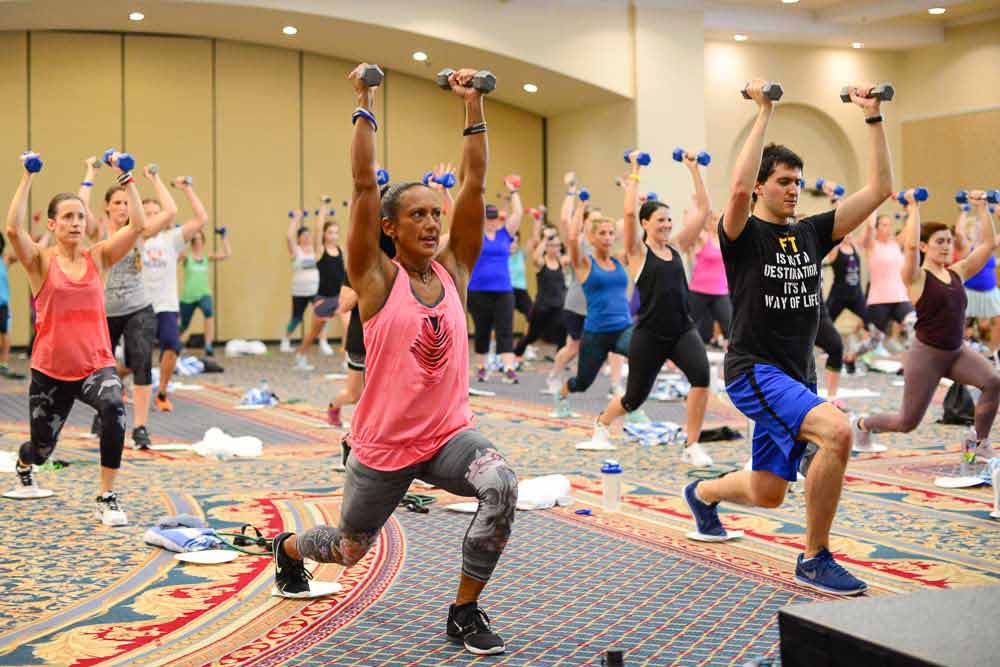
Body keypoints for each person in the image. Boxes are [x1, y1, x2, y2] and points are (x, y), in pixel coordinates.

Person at [270, 64, 517, 657]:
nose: (433, 223)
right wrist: (364, 100)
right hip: (382, 444)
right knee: (352, 548)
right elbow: (360, 186)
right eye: (418, 216)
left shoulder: (454, 271)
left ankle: (464, 610)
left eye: (437, 213)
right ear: (390, 227)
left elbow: (475, 185)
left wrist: (472, 106)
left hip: (445, 435)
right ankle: (290, 550)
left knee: (501, 484)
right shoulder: (377, 280)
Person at [683, 80, 893, 596]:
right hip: (755, 371)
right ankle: (815, 558)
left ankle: (703, 492)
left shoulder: (810, 233)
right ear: (761, 187)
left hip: (797, 374)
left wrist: (873, 117)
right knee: (837, 432)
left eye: (797, 181)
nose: (793, 189)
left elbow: (880, 190)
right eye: (782, 180)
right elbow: (734, 192)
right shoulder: (742, 236)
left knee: (767, 490)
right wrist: (766, 110)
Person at [5, 151, 145, 525]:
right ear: (52, 224)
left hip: (95, 365)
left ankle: (107, 496)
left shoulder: (98, 257)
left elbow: (137, 227)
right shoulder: (40, 261)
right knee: (41, 448)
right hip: (50, 371)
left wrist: (128, 179)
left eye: (80, 216)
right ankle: (24, 463)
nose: (75, 223)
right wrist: (26, 177)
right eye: (67, 217)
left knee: (115, 407)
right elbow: (12, 231)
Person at [587, 150, 714, 466]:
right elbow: (629, 215)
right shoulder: (637, 252)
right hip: (650, 335)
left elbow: (705, 210)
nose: (667, 224)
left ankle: (692, 445)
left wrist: (694, 170)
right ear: (646, 224)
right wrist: (634, 169)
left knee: (701, 377)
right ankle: (602, 424)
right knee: (634, 398)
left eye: (669, 220)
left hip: (682, 330)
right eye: (660, 220)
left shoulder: (679, 246)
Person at [853, 191, 1000, 459]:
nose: (945, 246)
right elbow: (908, 247)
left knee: (992, 381)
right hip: (926, 356)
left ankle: (979, 443)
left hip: (956, 351)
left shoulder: (958, 271)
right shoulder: (917, 277)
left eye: (948, 241)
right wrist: (914, 206)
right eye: (939, 242)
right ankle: (862, 424)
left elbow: (989, 244)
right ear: (924, 247)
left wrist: (983, 208)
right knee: (906, 423)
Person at [88, 159, 177, 449]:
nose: (123, 207)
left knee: (142, 364)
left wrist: (153, 178)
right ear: (107, 207)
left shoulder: (138, 231)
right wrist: (91, 172)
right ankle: (103, 413)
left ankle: (140, 427)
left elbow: (171, 211)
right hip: (104, 311)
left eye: (127, 202)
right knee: (104, 369)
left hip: (138, 307)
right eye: (117, 202)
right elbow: (79, 205)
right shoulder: (97, 233)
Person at [552, 200, 633, 415]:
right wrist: (580, 207)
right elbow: (570, 238)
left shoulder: (619, 259)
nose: (607, 237)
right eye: (602, 233)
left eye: (610, 233)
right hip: (596, 332)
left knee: (643, 354)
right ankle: (562, 394)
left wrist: (636, 200)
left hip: (623, 327)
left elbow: (635, 238)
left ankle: (630, 406)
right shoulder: (584, 263)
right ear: (591, 237)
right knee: (583, 382)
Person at [141, 174, 209, 411]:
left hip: (166, 305)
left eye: (154, 213)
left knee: (172, 346)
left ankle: (161, 392)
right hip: (140, 307)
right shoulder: (135, 238)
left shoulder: (172, 239)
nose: (151, 218)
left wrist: (187, 188)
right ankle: (117, 382)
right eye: (146, 213)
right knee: (133, 361)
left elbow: (201, 218)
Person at [467, 175, 522, 383]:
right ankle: (482, 366)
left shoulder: (504, 234)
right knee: (482, 329)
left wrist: (513, 191)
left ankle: (508, 367)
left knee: (505, 329)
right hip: (478, 290)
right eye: (487, 218)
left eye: (494, 217)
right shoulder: (474, 235)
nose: (491, 221)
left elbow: (517, 214)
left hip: (503, 290)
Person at [294, 199, 347, 371]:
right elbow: (317, 230)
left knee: (348, 326)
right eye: (330, 232)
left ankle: (347, 359)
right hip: (323, 298)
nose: (334, 236)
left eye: (336, 233)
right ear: (325, 235)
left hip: (340, 297)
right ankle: (300, 354)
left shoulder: (340, 250)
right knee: (313, 333)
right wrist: (323, 208)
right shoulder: (320, 251)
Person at [513, 216, 567, 360]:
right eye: (551, 246)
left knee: (563, 330)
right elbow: (536, 256)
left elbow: (573, 251)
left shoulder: (562, 262)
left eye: (557, 246)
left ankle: (559, 358)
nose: (554, 249)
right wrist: (545, 239)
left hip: (558, 305)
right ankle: (517, 353)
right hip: (542, 306)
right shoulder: (542, 263)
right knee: (532, 335)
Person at [954, 204, 1000, 366]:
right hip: (970, 292)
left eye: (982, 228)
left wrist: (996, 212)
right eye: (977, 229)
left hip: (991, 292)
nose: (980, 231)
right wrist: (963, 210)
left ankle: (992, 352)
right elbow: (958, 232)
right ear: (970, 231)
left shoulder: (989, 246)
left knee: (998, 321)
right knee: (962, 322)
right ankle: (961, 353)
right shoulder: (967, 247)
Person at [681, 209, 731, 348]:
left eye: (720, 219)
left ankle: (735, 361)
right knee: (686, 325)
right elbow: (690, 228)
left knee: (730, 329)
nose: (717, 222)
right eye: (714, 219)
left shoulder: (726, 240)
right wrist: (695, 211)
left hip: (720, 291)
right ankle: (674, 354)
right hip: (699, 290)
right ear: (708, 222)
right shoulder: (703, 237)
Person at [862, 212, 912, 351]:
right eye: (884, 225)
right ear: (877, 228)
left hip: (900, 297)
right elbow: (869, 228)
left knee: (913, 324)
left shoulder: (895, 244)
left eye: (890, 225)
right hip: (878, 300)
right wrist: (874, 205)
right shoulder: (871, 245)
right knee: (874, 341)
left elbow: (909, 228)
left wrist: (912, 206)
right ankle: (850, 359)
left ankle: (912, 357)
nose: (888, 228)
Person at [180, 227, 231, 356]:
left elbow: (227, 254)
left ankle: (208, 345)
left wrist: (223, 237)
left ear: (203, 241)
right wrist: (183, 237)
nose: (197, 241)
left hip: (204, 293)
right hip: (188, 296)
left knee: (209, 312)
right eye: (195, 238)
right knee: (183, 325)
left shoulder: (207, 257)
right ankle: (174, 341)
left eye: (199, 238)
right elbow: (176, 254)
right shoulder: (187, 257)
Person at [279, 209, 319, 353]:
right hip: (299, 291)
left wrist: (321, 216)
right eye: (304, 235)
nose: (307, 238)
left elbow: (319, 233)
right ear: (299, 238)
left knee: (322, 315)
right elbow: (288, 237)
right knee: (296, 318)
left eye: (309, 235)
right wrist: (296, 218)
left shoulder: (316, 250)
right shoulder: (296, 251)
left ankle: (323, 342)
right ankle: (285, 340)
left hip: (315, 290)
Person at [0, 234, 24, 379]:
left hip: (2, 304)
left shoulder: (5, 259)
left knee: (5, 334)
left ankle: (3, 364)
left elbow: (22, 252)